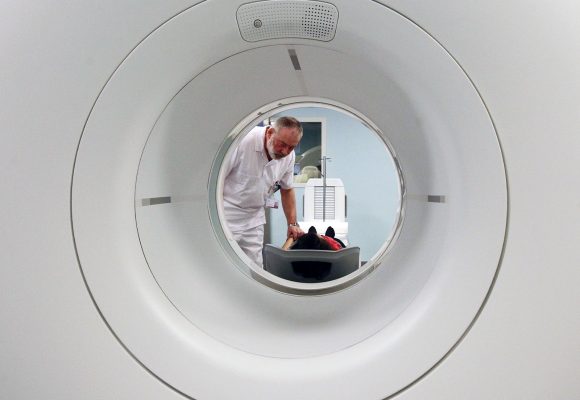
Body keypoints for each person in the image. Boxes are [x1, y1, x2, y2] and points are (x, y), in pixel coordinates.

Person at [223, 116, 305, 266]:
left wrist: (292, 224)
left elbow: (287, 190)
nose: (285, 151)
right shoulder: (243, 141)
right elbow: (217, 180)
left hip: (254, 219)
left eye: (291, 147)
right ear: (270, 133)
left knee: (254, 267)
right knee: (224, 265)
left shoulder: (288, 157)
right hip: (227, 216)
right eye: (282, 144)